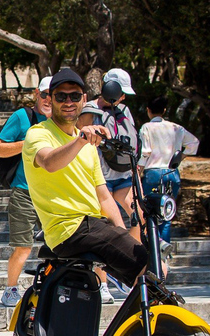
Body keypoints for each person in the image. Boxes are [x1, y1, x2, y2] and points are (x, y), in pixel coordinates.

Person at [23, 69, 148, 298]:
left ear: (84, 99)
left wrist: (121, 233)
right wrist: (80, 141)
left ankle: (143, 328)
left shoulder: (88, 145)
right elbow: (50, 162)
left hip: (93, 226)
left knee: (149, 267)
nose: (68, 102)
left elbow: (104, 197)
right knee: (147, 268)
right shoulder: (38, 134)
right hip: (69, 229)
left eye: (75, 96)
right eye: (61, 96)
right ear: (50, 100)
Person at [0, 76, 53, 307]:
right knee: (23, 246)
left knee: (59, 245)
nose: (49, 99)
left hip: (52, 193)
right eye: (45, 94)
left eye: (53, 95)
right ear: (37, 93)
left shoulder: (60, 121)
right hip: (25, 191)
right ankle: (10, 289)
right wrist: (28, 143)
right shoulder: (22, 117)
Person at [139, 95, 200, 243]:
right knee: (167, 212)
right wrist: (180, 157)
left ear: (148, 110)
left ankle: (153, 249)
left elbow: (145, 152)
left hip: (152, 174)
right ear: (164, 110)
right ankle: (165, 249)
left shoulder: (147, 127)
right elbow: (194, 143)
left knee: (149, 213)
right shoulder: (176, 128)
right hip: (171, 173)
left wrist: (138, 172)